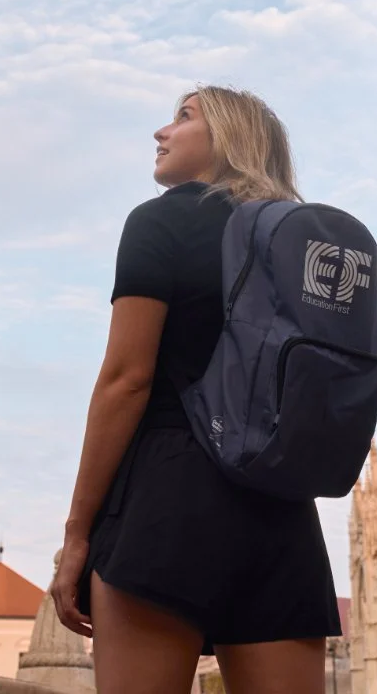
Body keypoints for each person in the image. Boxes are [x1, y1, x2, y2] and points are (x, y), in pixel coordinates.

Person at [50, 86, 340, 694]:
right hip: (280, 508)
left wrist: (77, 534)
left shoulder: (163, 219)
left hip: (168, 494)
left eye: (182, 118)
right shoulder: (301, 240)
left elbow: (126, 380)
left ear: (229, 139)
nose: (161, 132)